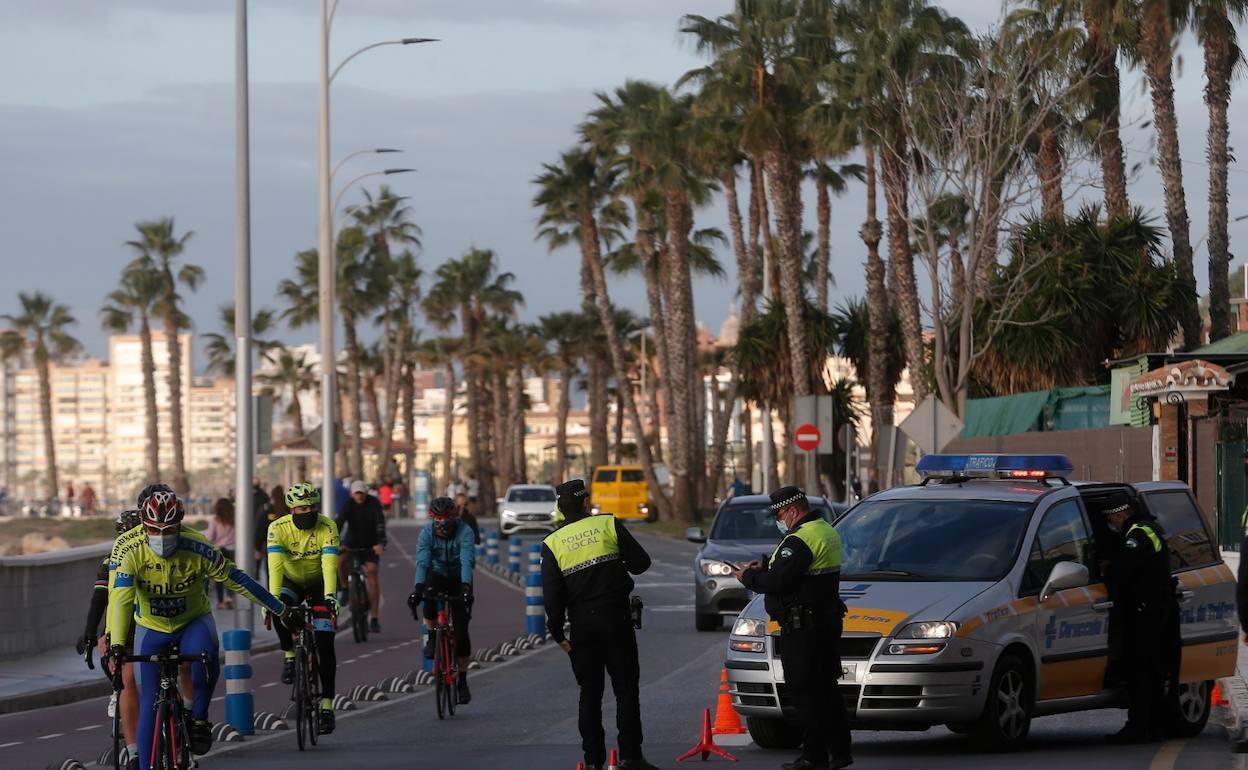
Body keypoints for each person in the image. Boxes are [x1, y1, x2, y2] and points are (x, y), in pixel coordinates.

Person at [107, 490, 288, 770]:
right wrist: (117, 644)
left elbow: (236, 579)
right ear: (143, 525)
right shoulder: (127, 548)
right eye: (154, 530)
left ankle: (199, 719)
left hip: (192, 620)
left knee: (204, 660)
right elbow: (119, 599)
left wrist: (279, 609)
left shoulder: (198, 545)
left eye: (169, 530)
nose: (161, 537)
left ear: (180, 525)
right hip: (151, 628)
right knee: (149, 702)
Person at [540, 479, 658, 770]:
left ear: (560, 508)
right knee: (625, 690)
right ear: (585, 502)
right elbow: (641, 563)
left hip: (582, 626)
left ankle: (593, 761)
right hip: (616, 618)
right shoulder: (607, 525)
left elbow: (552, 597)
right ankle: (631, 757)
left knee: (589, 695)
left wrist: (558, 634)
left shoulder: (552, 543)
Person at [733, 486, 851, 770]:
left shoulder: (800, 539)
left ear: (793, 510)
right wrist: (765, 565)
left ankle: (814, 755)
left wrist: (747, 577)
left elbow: (777, 582)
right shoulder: (825, 530)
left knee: (805, 691)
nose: (779, 519)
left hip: (803, 628)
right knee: (826, 689)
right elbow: (797, 570)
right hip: (824, 622)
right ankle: (840, 751)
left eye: (779, 514)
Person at [1100, 492, 1180, 744]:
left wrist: (1106, 568)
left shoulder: (1138, 534)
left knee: (1141, 673)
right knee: (1153, 672)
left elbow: (1122, 570)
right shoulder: (1150, 528)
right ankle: (1153, 727)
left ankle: (1139, 728)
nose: (1111, 523)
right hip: (1156, 610)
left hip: (1145, 614)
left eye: (1111, 518)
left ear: (1121, 514)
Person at [268, 482, 341, 735]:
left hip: (320, 582)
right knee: (278, 607)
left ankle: (327, 705)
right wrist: (273, 599)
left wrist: (331, 597)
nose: (306, 511)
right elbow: (275, 567)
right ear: (291, 510)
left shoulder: (327, 526)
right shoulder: (277, 528)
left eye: (311, 507)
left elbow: (330, 564)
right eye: (301, 508)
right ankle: (289, 654)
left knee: (325, 645)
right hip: (291, 582)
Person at [77, 508, 142, 770]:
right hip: (125, 620)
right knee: (110, 647)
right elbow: (99, 599)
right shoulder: (111, 560)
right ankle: (119, 692)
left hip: (153, 618)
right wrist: (90, 632)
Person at [408, 496, 476, 704]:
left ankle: (462, 680)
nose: (442, 527)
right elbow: (422, 561)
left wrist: (466, 587)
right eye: (437, 521)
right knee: (428, 601)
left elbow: (466, 561)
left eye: (446, 521)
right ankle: (431, 634)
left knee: (462, 634)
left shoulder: (465, 532)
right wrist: (417, 589)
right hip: (436, 574)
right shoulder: (426, 533)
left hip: (458, 577)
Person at [337, 480, 387, 633]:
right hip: (352, 543)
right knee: (340, 562)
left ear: (365, 492)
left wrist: (381, 543)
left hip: (371, 544)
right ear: (352, 494)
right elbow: (339, 523)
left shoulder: (374, 503)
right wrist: (334, 541)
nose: (359, 496)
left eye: (361, 493)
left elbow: (380, 523)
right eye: (356, 493)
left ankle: (374, 618)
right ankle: (345, 588)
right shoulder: (348, 505)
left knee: (372, 574)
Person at [206, 498, 237, 609]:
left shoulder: (214, 520)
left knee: (219, 577)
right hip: (233, 550)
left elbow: (210, 537)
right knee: (231, 576)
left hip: (219, 551)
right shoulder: (234, 519)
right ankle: (230, 598)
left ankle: (221, 601)